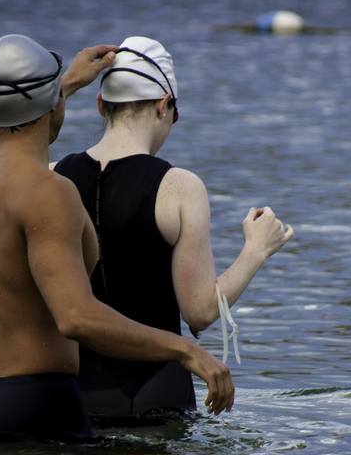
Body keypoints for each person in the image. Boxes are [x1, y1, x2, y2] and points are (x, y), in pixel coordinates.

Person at [0, 34, 234, 442]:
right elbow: (76, 317)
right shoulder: (50, 191)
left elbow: (9, 129)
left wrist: (62, 86)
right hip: (35, 398)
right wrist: (186, 350)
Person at [54, 36, 293, 425]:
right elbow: (198, 312)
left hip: (67, 394)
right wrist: (256, 251)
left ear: (101, 104)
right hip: (154, 393)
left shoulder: (53, 177)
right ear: (164, 105)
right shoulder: (179, 187)